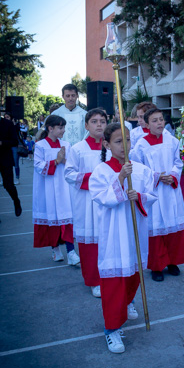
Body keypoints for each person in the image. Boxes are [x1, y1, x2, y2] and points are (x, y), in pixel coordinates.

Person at [89, 123, 157, 353]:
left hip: (135, 229)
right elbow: (100, 197)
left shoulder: (140, 168)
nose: (124, 145)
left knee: (134, 273)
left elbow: (152, 195)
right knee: (114, 279)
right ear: (107, 144)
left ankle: (128, 301)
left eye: (127, 140)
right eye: (119, 141)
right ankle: (112, 329)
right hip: (114, 233)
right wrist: (120, 180)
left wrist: (139, 196)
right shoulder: (101, 171)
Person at [131, 108, 184, 282]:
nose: (159, 123)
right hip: (154, 191)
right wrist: (156, 177)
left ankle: (173, 262)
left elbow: (178, 163)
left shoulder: (172, 141)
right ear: (147, 124)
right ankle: (156, 266)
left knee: (173, 224)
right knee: (155, 226)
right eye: (154, 121)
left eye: (161, 120)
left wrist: (172, 175)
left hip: (170, 190)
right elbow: (137, 169)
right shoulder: (141, 145)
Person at [64, 108, 108, 298]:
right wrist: (95, 178)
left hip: (108, 201)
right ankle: (93, 280)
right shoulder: (78, 149)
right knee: (90, 242)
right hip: (87, 202)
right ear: (86, 125)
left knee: (107, 240)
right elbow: (69, 174)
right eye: (94, 121)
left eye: (103, 121)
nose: (99, 125)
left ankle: (109, 277)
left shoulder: (111, 147)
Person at [33, 115, 80, 265]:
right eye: (60, 127)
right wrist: (56, 160)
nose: (63, 130)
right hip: (47, 188)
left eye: (63, 127)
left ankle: (71, 251)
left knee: (67, 218)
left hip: (64, 186)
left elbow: (72, 164)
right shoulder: (40, 145)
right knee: (51, 219)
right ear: (50, 128)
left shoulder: (66, 144)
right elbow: (39, 166)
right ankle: (55, 249)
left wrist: (64, 159)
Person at [0, 114, 22, 216]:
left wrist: (2, 143)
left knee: (8, 185)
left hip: (5, 158)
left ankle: (16, 201)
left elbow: (14, 141)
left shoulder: (7, 124)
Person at [4, 112, 22, 185]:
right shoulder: (3, 125)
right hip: (6, 146)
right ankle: (6, 179)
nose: (6, 119)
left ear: (11, 117)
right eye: (5, 117)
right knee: (6, 163)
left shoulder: (15, 125)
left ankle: (17, 178)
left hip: (14, 146)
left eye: (7, 117)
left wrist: (13, 124)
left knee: (16, 163)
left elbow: (17, 132)